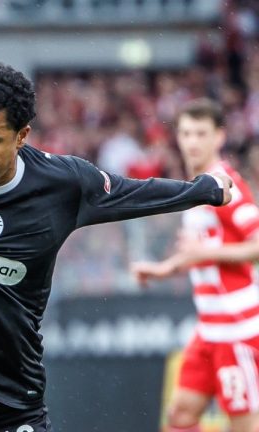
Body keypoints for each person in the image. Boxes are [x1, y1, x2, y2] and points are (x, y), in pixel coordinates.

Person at [0, 63, 233, 432]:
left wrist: (205, 189)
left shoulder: (62, 183)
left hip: (8, 399)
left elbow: (134, 192)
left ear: (21, 136)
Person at [131, 99, 259, 432]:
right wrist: (165, 269)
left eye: (201, 133)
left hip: (238, 331)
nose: (192, 141)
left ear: (219, 137)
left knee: (244, 426)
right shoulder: (199, 187)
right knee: (180, 416)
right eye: (186, 133)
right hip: (209, 329)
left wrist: (204, 253)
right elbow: (201, 251)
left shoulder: (228, 186)